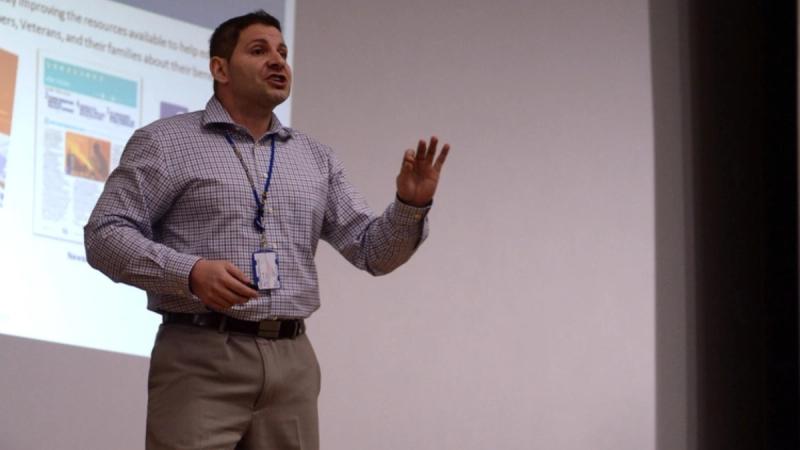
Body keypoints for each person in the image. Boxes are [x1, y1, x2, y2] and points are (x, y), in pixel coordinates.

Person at [84, 9, 449, 450]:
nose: (277, 61)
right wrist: (190, 272)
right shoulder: (166, 142)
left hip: (292, 362)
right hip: (200, 353)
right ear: (219, 68)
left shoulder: (317, 159)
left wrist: (411, 204)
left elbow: (372, 251)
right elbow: (104, 233)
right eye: (259, 51)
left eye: (283, 52)